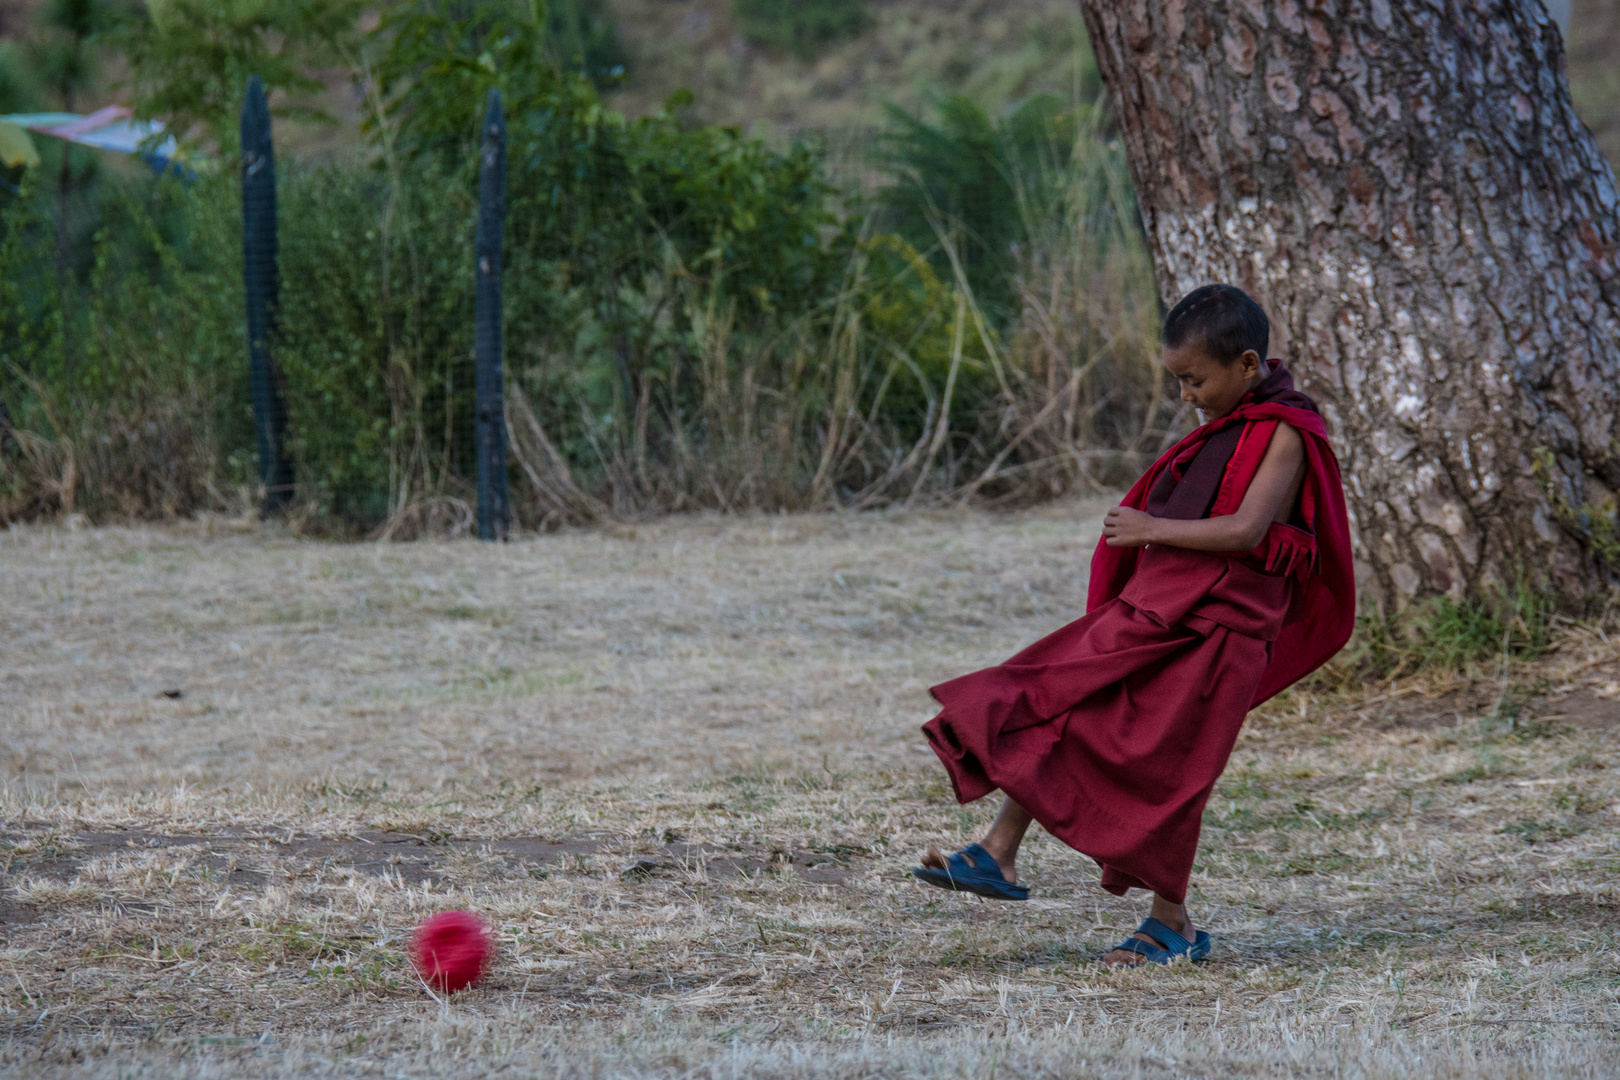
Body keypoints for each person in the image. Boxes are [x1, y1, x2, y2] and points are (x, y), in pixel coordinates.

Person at [912, 284, 1354, 966]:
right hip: (1165, 616)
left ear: (1245, 365)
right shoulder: (1233, 424)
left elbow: (1245, 530)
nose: (1187, 397)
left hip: (1221, 634)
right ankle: (998, 853)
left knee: (1170, 770)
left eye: (1195, 380)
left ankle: (1170, 923)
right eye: (1178, 381)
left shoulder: (1286, 432)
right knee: (1064, 703)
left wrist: (1153, 526)